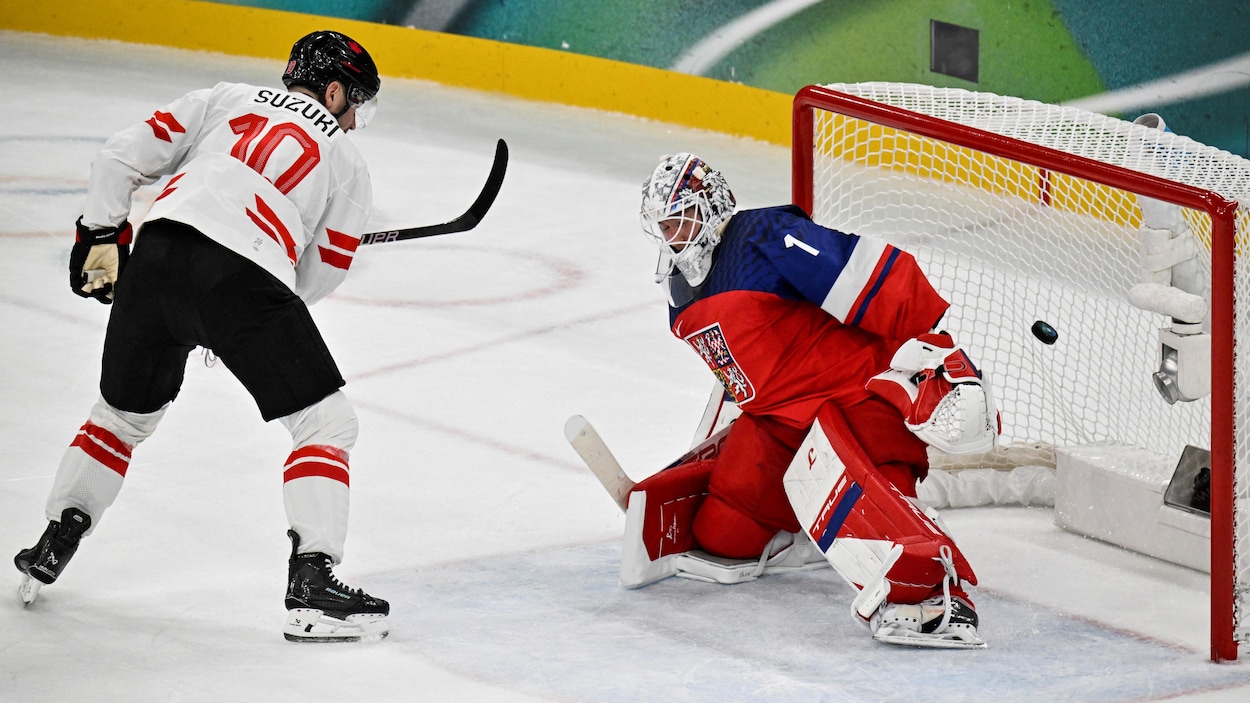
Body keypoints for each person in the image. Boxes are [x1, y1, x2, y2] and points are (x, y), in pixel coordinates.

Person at [14, 30, 389, 643]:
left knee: (119, 418)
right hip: (243, 279)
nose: (353, 124)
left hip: (157, 253)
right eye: (356, 106)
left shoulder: (226, 97)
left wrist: (101, 235)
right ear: (334, 89)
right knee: (326, 426)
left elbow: (117, 157)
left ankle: (53, 541)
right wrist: (242, 306)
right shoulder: (346, 162)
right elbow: (320, 275)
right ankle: (314, 583)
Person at [629, 153, 999, 648]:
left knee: (877, 514)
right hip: (776, 422)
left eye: (682, 218)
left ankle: (939, 596)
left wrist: (932, 352)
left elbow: (866, 276)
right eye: (665, 226)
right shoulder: (681, 291)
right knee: (721, 534)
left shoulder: (763, 237)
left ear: (712, 206)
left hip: (851, 397)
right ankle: (801, 528)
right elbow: (735, 372)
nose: (675, 235)